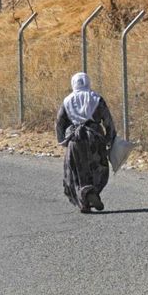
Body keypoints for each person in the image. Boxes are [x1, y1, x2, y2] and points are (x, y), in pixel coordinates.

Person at [55, 72, 116, 213]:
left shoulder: (67, 101)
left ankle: (84, 201)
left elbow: (59, 123)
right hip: (95, 138)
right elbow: (108, 121)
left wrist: (62, 141)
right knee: (98, 169)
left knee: (76, 172)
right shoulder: (96, 99)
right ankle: (91, 193)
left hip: (75, 140)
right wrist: (110, 139)